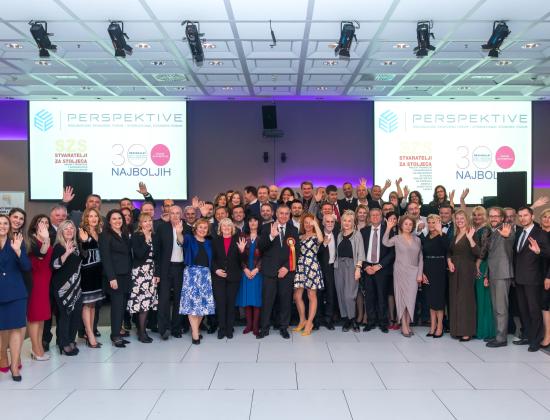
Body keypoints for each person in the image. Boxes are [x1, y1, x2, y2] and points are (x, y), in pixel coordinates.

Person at [257, 205, 299, 339]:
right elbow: (261, 247)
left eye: (286, 213)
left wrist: (286, 267)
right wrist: (271, 236)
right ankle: (264, 328)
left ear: (289, 214)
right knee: (267, 301)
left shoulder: (293, 229)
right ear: (276, 213)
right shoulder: (266, 228)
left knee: (285, 301)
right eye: (281, 213)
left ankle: (283, 327)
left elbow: (296, 251)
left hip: (286, 272)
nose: (284, 216)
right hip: (269, 271)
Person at [513, 206, 550, 352]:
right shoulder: (519, 233)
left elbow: (548, 253)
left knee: (534, 311)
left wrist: (539, 251)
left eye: (526, 215)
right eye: (520, 216)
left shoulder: (541, 233)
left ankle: (536, 340)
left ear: (532, 216)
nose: (523, 218)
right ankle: (528, 336)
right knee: (523, 310)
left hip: (534, 279)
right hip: (519, 278)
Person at [0, 215, 30, 381]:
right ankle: (2, 357)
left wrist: (18, 251)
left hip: (16, 292)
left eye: (5, 223)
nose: (2, 226)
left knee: (16, 329)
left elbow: (26, 266)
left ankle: (14, 366)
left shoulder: (16, 241)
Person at [383, 215, 423, 337]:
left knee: (411, 299)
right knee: (402, 299)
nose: (408, 226)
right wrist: (388, 228)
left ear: (413, 226)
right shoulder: (397, 238)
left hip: (414, 273)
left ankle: (407, 323)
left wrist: (420, 274)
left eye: (410, 224)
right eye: (406, 224)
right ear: (401, 225)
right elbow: (385, 242)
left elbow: (420, 258)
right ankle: (404, 325)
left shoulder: (417, 240)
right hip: (400, 271)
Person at [179, 218, 216, 345]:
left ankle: (195, 328)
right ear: (195, 228)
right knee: (192, 305)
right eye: (200, 227)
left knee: (203, 306)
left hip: (205, 275)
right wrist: (178, 232)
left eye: (205, 228)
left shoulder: (209, 242)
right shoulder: (189, 238)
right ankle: (195, 334)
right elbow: (181, 241)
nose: (202, 230)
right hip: (191, 274)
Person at [99, 209, 132, 348]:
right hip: (115, 277)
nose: (117, 221)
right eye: (114, 219)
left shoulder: (124, 234)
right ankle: (115, 336)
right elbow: (106, 258)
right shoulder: (105, 235)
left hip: (126, 275)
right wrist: (111, 278)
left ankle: (118, 331)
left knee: (122, 306)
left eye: (119, 218)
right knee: (117, 307)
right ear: (109, 221)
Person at [51, 220, 83, 356]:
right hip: (62, 288)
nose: (69, 231)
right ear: (61, 232)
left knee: (76, 315)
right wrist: (66, 254)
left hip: (76, 287)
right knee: (65, 315)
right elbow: (55, 265)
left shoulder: (77, 246)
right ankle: (63, 343)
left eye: (71, 228)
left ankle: (70, 340)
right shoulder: (58, 247)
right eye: (66, 229)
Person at [154, 205, 186, 339]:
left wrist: (179, 233)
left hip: (181, 268)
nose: (175, 215)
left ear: (181, 214)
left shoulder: (187, 228)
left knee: (179, 299)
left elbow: (187, 246)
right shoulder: (162, 228)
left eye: (178, 213)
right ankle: (164, 329)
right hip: (165, 268)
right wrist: (157, 272)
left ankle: (176, 328)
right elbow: (157, 251)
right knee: (164, 299)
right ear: (168, 214)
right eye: (172, 213)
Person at [447, 210, 480, 342]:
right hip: (454, 270)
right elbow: (449, 251)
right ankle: (456, 330)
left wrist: (471, 238)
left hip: (466, 269)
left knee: (465, 300)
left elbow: (478, 252)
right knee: (455, 298)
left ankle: (467, 331)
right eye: (457, 218)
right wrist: (449, 262)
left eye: (462, 218)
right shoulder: (455, 234)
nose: (459, 220)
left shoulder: (472, 232)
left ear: (467, 219)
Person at [361, 207, 394, 333]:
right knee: (369, 297)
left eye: (377, 215)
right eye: (372, 215)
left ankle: (383, 322)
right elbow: (360, 251)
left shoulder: (388, 230)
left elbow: (392, 252)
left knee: (382, 296)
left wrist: (379, 265)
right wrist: (365, 266)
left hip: (382, 269)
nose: (375, 217)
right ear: (369, 217)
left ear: (381, 217)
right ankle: (370, 322)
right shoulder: (364, 231)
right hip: (368, 268)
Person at [485, 207, 515, 348]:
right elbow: (490, 256)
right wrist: (487, 274)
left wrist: (506, 237)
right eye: (491, 216)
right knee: (496, 307)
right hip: (493, 273)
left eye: (496, 216)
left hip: (502, 273)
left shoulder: (507, 229)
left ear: (502, 218)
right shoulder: (492, 231)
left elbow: (510, 243)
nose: (493, 218)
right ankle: (498, 334)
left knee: (501, 308)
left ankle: (501, 338)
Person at [127, 213, 159, 343]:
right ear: (140, 224)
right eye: (145, 221)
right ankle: (141, 333)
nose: (148, 223)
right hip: (140, 273)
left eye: (150, 220)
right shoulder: (136, 236)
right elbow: (139, 254)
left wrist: (157, 274)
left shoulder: (155, 236)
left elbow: (157, 257)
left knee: (147, 303)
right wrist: (146, 238)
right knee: (142, 304)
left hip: (151, 272)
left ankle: (142, 330)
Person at [25, 215, 53, 361]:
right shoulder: (31, 241)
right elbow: (39, 258)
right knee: (35, 317)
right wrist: (46, 240)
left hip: (45, 282)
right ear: (35, 225)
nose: (44, 224)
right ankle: (35, 349)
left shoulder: (47, 239)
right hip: (35, 282)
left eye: (46, 222)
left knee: (41, 317)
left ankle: (39, 347)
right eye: (41, 222)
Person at [293, 213, 324, 336]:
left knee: (311, 295)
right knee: (297, 296)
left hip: (311, 266)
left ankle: (310, 322)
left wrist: (315, 224)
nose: (308, 224)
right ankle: (302, 320)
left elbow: (321, 240)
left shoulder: (316, 236)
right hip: (300, 267)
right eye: (305, 222)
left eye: (310, 222)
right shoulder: (300, 237)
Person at [334, 210, 365, 332]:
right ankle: (347, 319)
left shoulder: (357, 234)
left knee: (349, 295)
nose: (347, 223)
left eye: (349, 221)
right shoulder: (339, 235)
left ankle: (353, 320)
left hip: (352, 266)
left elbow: (361, 253)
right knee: (341, 294)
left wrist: (358, 268)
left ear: (353, 223)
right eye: (344, 221)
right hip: (338, 267)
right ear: (341, 222)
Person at [211, 218, 242, 339]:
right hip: (218, 277)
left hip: (233, 277)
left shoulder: (238, 240)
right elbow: (212, 259)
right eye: (224, 226)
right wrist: (216, 270)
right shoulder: (215, 241)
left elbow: (242, 261)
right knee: (220, 303)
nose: (226, 228)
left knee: (230, 304)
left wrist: (242, 251)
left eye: (229, 226)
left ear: (232, 228)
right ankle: (222, 328)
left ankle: (229, 328)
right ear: (220, 228)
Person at [78, 208, 104, 348]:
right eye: (90, 216)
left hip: (98, 271)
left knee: (93, 304)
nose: (93, 218)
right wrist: (85, 241)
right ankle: (89, 333)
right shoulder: (82, 231)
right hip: (87, 271)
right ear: (86, 218)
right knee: (87, 304)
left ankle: (91, 331)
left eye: (95, 216)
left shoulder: (100, 232)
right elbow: (82, 252)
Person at [420, 214, 449, 338]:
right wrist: (422, 272)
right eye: (430, 222)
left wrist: (440, 232)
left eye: (434, 222)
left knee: (438, 300)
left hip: (440, 270)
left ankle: (440, 327)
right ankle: (432, 326)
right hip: (428, 269)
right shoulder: (426, 237)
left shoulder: (443, 236)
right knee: (430, 300)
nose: (431, 225)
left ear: (439, 223)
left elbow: (448, 248)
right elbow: (422, 255)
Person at [236, 215, 263, 336]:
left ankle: (256, 326)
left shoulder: (263, 237)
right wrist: (245, 268)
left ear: (258, 222)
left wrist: (257, 269)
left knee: (256, 299)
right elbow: (238, 255)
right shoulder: (242, 236)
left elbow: (266, 255)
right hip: (245, 272)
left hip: (258, 272)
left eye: (255, 220)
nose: (252, 223)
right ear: (247, 223)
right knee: (247, 299)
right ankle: (249, 325)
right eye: (250, 221)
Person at [472, 206, 496, 341]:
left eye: (480, 215)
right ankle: (477, 328)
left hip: (481, 265)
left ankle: (485, 330)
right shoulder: (473, 229)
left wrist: (478, 263)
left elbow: (484, 249)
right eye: (475, 215)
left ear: (485, 216)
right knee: (476, 298)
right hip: (474, 264)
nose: (477, 217)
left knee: (483, 298)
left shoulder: (486, 229)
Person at [317, 214, 338, 330]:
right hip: (320, 268)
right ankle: (318, 319)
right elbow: (314, 252)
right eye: (328, 222)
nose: (330, 224)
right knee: (319, 295)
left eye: (332, 222)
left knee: (331, 294)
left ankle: (328, 319)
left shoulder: (338, 234)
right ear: (323, 223)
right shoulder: (318, 234)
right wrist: (324, 244)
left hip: (332, 268)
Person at [539, 208, 550, 349]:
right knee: (542, 305)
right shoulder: (538, 233)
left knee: (545, 306)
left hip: (547, 276)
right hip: (537, 275)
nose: (547, 219)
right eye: (544, 217)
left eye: (549, 217)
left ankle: (547, 337)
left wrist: (548, 276)